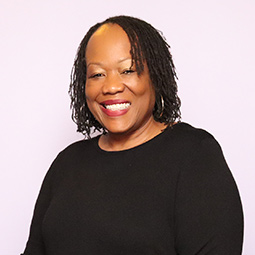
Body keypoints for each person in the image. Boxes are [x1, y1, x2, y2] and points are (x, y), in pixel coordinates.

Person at [22, 15, 243, 254]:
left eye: (127, 70)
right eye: (97, 74)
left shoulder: (194, 155)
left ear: (155, 77)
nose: (111, 86)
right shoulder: (67, 163)